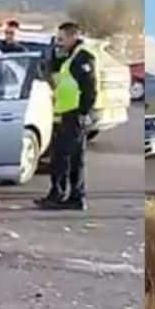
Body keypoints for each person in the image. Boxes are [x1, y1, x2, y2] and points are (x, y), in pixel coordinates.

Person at [39, 21, 97, 211]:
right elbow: (59, 77)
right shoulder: (70, 56)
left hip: (73, 115)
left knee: (70, 159)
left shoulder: (83, 58)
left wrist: (83, 113)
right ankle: (60, 193)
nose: (59, 42)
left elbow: (90, 89)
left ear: (73, 37)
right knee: (61, 158)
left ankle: (72, 196)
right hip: (64, 113)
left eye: (62, 39)